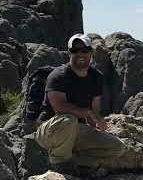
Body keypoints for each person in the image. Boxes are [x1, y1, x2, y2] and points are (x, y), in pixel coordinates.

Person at [34, 33, 127, 172]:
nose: (80, 54)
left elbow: (94, 109)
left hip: (76, 130)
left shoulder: (96, 77)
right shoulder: (58, 76)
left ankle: (78, 160)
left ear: (91, 53)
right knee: (68, 120)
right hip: (50, 130)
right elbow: (60, 108)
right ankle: (60, 164)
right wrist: (88, 112)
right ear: (69, 53)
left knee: (117, 147)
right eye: (75, 50)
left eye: (84, 50)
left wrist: (96, 123)